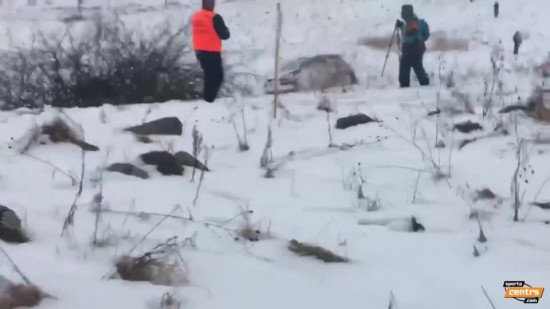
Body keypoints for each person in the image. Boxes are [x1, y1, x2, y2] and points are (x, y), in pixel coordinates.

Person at [192, 0, 230, 103]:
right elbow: (224, 35)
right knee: (217, 77)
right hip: (212, 51)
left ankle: (208, 98)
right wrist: (226, 30)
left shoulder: (196, 17)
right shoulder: (215, 17)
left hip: (199, 51)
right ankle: (209, 99)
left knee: (209, 75)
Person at [395, 4, 430, 88]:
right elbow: (409, 32)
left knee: (411, 70)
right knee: (417, 69)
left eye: (403, 12)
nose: (402, 14)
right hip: (413, 50)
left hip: (413, 50)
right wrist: (402, 26)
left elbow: (412, 32)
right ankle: (424, 85)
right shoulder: (410, 21)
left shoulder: (413, 21)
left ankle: (407, 87)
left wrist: (403, 27)